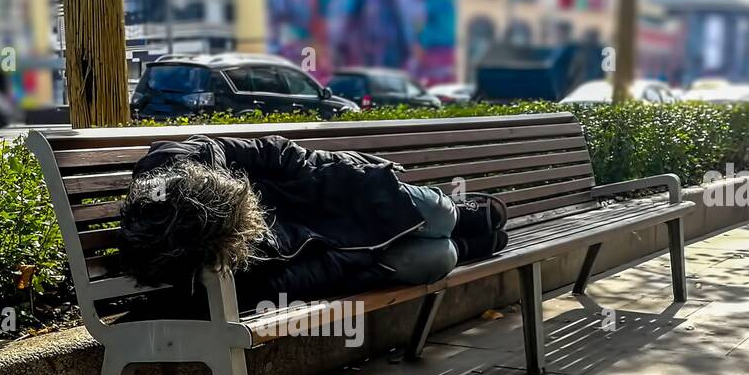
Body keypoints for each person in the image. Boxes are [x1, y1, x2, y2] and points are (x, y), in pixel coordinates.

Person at [118, 133, 508, 306]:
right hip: (343, 250)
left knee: (441, 213)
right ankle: (466, 244)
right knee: (437, 259)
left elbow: (287, 157)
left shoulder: (185, 164)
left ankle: (459, 217)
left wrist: (354, 177)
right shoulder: (225, 263)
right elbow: (313, 276)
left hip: (339, 198)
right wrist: (363, 259)